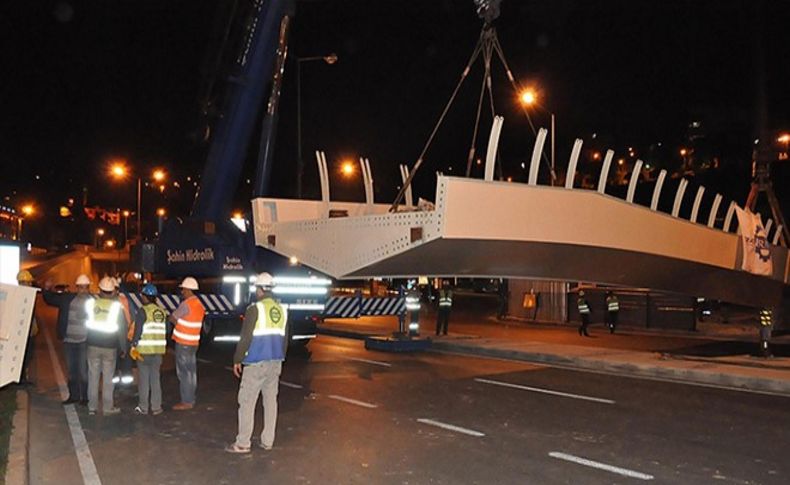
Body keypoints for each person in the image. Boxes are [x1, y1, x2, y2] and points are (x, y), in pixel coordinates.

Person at [226, 272, 287, 454]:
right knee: (270, 402)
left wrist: (237, 359)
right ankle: (268, 441)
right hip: (275, 362)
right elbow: (284, 340)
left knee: (246, 401)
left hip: (256, 362)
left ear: (260, 290)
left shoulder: (255, 309)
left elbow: (246, 338)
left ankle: (243, 443)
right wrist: (279, 357)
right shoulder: (282, 309)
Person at [43, 274, 93, 404]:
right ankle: (74, 396)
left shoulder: (93, 301)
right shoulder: (67, 299)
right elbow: (50, 299)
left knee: (83, 371)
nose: (82, 290)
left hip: (84, 341)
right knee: (71, 371)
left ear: (88, 288)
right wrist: (47, 289)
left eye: (85, 287)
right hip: (69, 341)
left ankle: (85, 397)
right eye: (80, 287)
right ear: (76, 287)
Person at [86, 276, 127, 415]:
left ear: (100, 290)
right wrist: (123, 348)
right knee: (108, 379)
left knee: (93, 377)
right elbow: (122, 329)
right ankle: (107, 407)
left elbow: (85, 323)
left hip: (93, 344)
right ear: (113, 291)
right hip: (110, 346)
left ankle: (92, 407)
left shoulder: (92, 304)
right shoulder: (117, 307)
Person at [168, 276, 205, 410]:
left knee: (184, 373)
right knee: (191, 372)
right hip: (193, 342)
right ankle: (191, 398)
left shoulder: (186, 304)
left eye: (183, 289)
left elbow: (173, 317)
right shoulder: (199, 304)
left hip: (183, 343)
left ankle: (186, 401)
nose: (182, 291)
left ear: (188, 290)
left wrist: (176, 322)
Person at [131, 284, 167, 415]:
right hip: (158, 352)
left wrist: (133, 345)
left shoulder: (143, 311)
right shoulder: (162, 312)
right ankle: (157, 407)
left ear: (146, 297)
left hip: (144, 351)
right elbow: (165, 330)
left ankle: (143, 407)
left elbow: (138, 331)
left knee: (144, 380)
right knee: (155, 379)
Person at [16, 270, 39, 386]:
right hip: (22, 331)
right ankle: (20, 378)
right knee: (24, 355)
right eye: (29, 282)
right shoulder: (20, 296)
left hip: (26, 331)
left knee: (27, 355)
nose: (30, 285)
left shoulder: (27, 295)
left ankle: (22, 377)